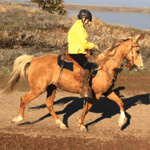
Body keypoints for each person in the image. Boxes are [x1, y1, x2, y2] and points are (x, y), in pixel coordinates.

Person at [67, 9, 99, 98]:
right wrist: (93, 45)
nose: (88, 22)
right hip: (75, 51)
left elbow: (83, 42)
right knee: (86, 65)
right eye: (88, 20)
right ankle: (84, 88)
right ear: (83, 18)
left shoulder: (79, 26)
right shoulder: (79, 28)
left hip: (79, 50)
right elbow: (83, 44)